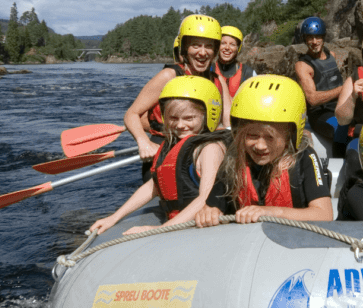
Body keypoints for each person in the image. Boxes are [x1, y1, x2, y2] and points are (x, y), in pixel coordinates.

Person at [88, 76, 228, 234]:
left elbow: (205, 199)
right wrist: (114, 217)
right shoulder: (170, 145)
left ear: (208, 116)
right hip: (177, 223)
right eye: (173, 118)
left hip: (203, 225)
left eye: (189, 118)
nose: (180, 125)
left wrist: (161, 229)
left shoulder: (210, 149)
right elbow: (152, 187)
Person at [196, 75, 333, 226]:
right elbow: (211, 207)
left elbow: (324, 214)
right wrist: (210, 213)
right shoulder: (233, 160)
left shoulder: (305, 158)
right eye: (251, 135)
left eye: (270, 137)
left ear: (290, 135)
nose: (260, 146)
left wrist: (270, 212)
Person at [123, 14, 230, 180]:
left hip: (199, 152)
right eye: (195, 45)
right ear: (185, 48)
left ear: (215, 50)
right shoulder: (168, 76)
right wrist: (143, 142)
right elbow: (131, 114)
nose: (202, 52)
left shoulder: (218, 81)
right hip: (165, 149)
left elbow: (228, 124)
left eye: (208, 46)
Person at [293, 16, 344, 143]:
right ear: (305, 39)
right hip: (321, 115)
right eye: (310, 37)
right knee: (341, 128)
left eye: (318, 37)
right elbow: (313, 99)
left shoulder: (331, 55)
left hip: (341, 106)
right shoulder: (303, 66)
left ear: (323, 37)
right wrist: (343, 89)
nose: (314, 41)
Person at [217, 25, 256, 98]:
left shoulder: (249, 73)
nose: (227, 48)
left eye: (232, 44)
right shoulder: (208, 69)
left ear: (238, 49)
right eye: (223, 43)